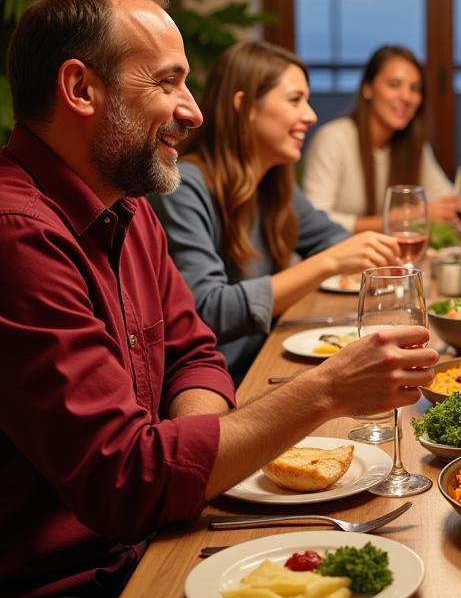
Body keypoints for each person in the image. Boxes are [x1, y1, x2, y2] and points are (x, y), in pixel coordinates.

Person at [0, 0, 435, 598]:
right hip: (50, 588)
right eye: (168, 82)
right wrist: (325, 392)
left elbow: (196, 350)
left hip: (151, 535)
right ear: (80, 88)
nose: (192, 110)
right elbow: (126, 480)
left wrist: (184, 452)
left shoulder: (127, 209)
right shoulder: (19, 235)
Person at [151, 40, 400, 385]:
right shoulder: (185, 187)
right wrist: (329, 262)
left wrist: (361, 256)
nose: (311, 115)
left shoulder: (273, 183)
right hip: (219, 383)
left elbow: (333, 239)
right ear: (245, 106)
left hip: (267, 359)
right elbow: (206, 310)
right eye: (295, 100)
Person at [302, 44, 459, 232]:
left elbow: (447, 200)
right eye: (394, 85)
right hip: (339, 255)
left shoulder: (412, 144)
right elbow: (314, 220)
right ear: (367, 89)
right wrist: (402, 218)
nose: (406, 97)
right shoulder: (333, 139)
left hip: (392, 257)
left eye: (415, 89)